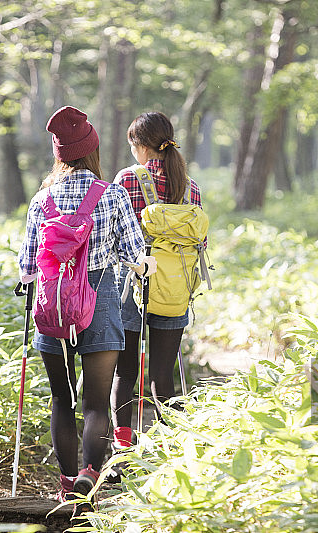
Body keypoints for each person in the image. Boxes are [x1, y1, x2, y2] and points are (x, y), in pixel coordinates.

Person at [17, 106, 155, 515]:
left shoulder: (42, 199)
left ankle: (64, 483)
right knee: (96, 403)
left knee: (62, 399)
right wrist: (144, 268)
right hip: (100, 303)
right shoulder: (110, 195)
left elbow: (26, 268)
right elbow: (134, 255)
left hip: (52, 309)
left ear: (59, 154)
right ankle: (89, 476)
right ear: (92, 151)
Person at [110, 111, 203, 451]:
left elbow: (115, 236)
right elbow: (200, 244)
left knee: (125, 373)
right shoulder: (190, 186)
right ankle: (170, 450)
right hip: (175, 287)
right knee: (162, 377)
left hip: (129, 288)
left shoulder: (128, 179)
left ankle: (123, 450)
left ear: (143, 147)